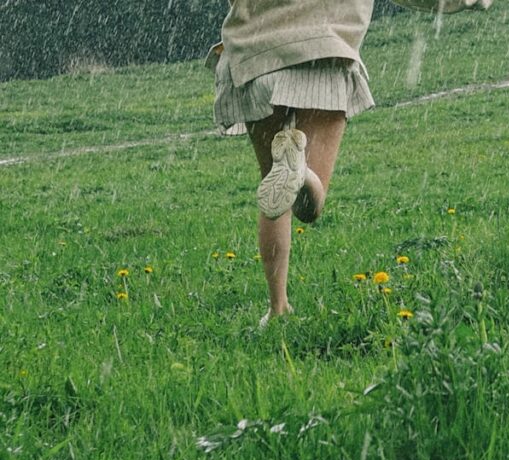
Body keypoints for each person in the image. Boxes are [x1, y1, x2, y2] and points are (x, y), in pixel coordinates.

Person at [208, 0, 492, 328]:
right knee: (308, 208)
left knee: (275, 198)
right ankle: (303, 175)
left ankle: (277, 306)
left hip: (256, 57)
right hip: (324, 50)